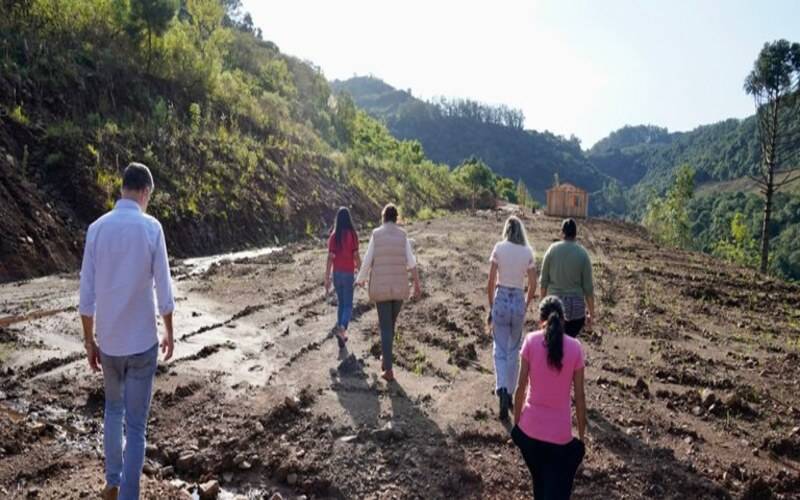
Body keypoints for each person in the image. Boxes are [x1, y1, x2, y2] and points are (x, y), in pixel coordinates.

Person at [79, 162, 175, 500]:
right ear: (146, 192)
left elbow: (86, 296)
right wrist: (170, 332)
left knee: (113, 410)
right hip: (142, 343)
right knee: (135, 425)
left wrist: (90, 341)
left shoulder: (97, 229)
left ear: (123, 188)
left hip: (110, 343)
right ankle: (128, 496)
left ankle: (113, 480)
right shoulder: (151, 228)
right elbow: (164, 290)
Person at [512, 296, 587, 500]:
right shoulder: (575, 348)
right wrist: (581, 437)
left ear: (540, 320)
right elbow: (580, 398)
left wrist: (516, 425)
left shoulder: (530, 340)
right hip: (559, 438)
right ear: (564, 321)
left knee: (539, 480)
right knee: (553, 487)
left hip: (529, 432)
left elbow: (520, 388)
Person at [356, 203, 421, 381]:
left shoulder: (376, 234)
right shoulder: (403, 235)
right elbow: (412, 263)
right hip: (399, 288)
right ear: (396, 218)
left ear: (383, 217)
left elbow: (368, 259)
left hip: (381, 288)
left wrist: (360, 278)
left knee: (385, 327)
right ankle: (386, 358)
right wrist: (417, 284)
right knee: (390, 326)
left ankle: (389, 370)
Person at [487, 216, 537, 420]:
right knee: (513, 350)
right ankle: (509, 392)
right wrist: (525, 304)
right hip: (517, 298)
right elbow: (533, 284)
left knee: (499, 349)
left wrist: (492, 305)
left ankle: (501, 389)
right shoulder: (527, 252)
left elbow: (490, 281)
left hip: (501, 299)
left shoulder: (499, 248)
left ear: (506, 230)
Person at [539, 218, 594, 338]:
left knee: (554, 339)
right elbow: (588, 289)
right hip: (576, 309)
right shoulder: (583, 254)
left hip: (554, 304)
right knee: (569, 338)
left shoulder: (551, 250)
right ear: (575, 234)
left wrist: (542, 307)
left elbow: (543, 283)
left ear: (562, 233)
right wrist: (591, 313)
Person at [325, 207, 361, 348]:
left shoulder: (334, 236)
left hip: (337, 274)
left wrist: (327, 277)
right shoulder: (352, 235)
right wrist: (362, 271)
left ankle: (341, 332)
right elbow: (356, 256)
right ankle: (343, 329)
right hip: (348, 273)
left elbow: (329, 258)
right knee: (348, 305)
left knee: (341, 303)